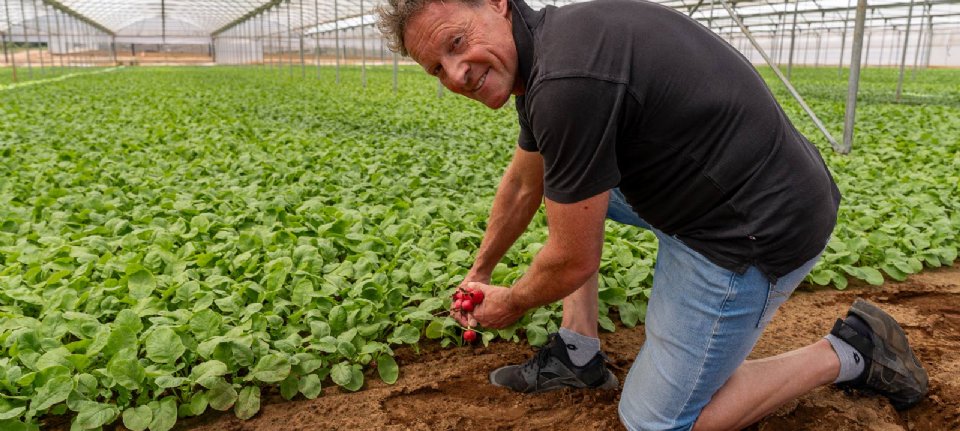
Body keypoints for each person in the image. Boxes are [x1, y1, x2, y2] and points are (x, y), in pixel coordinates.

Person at [376, 0, 929, 429]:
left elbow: (571, 260)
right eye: (436, 69)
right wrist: (480, 272)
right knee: (564, 196)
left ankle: (851, 350)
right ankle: (579, 351)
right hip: (718, 190)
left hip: (752, 228)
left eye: (456, 43)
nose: (455, 74)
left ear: (495, 4)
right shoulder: (551, 46)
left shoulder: (567, 82)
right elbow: (525, 181)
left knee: (658, 422)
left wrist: (512, 302)